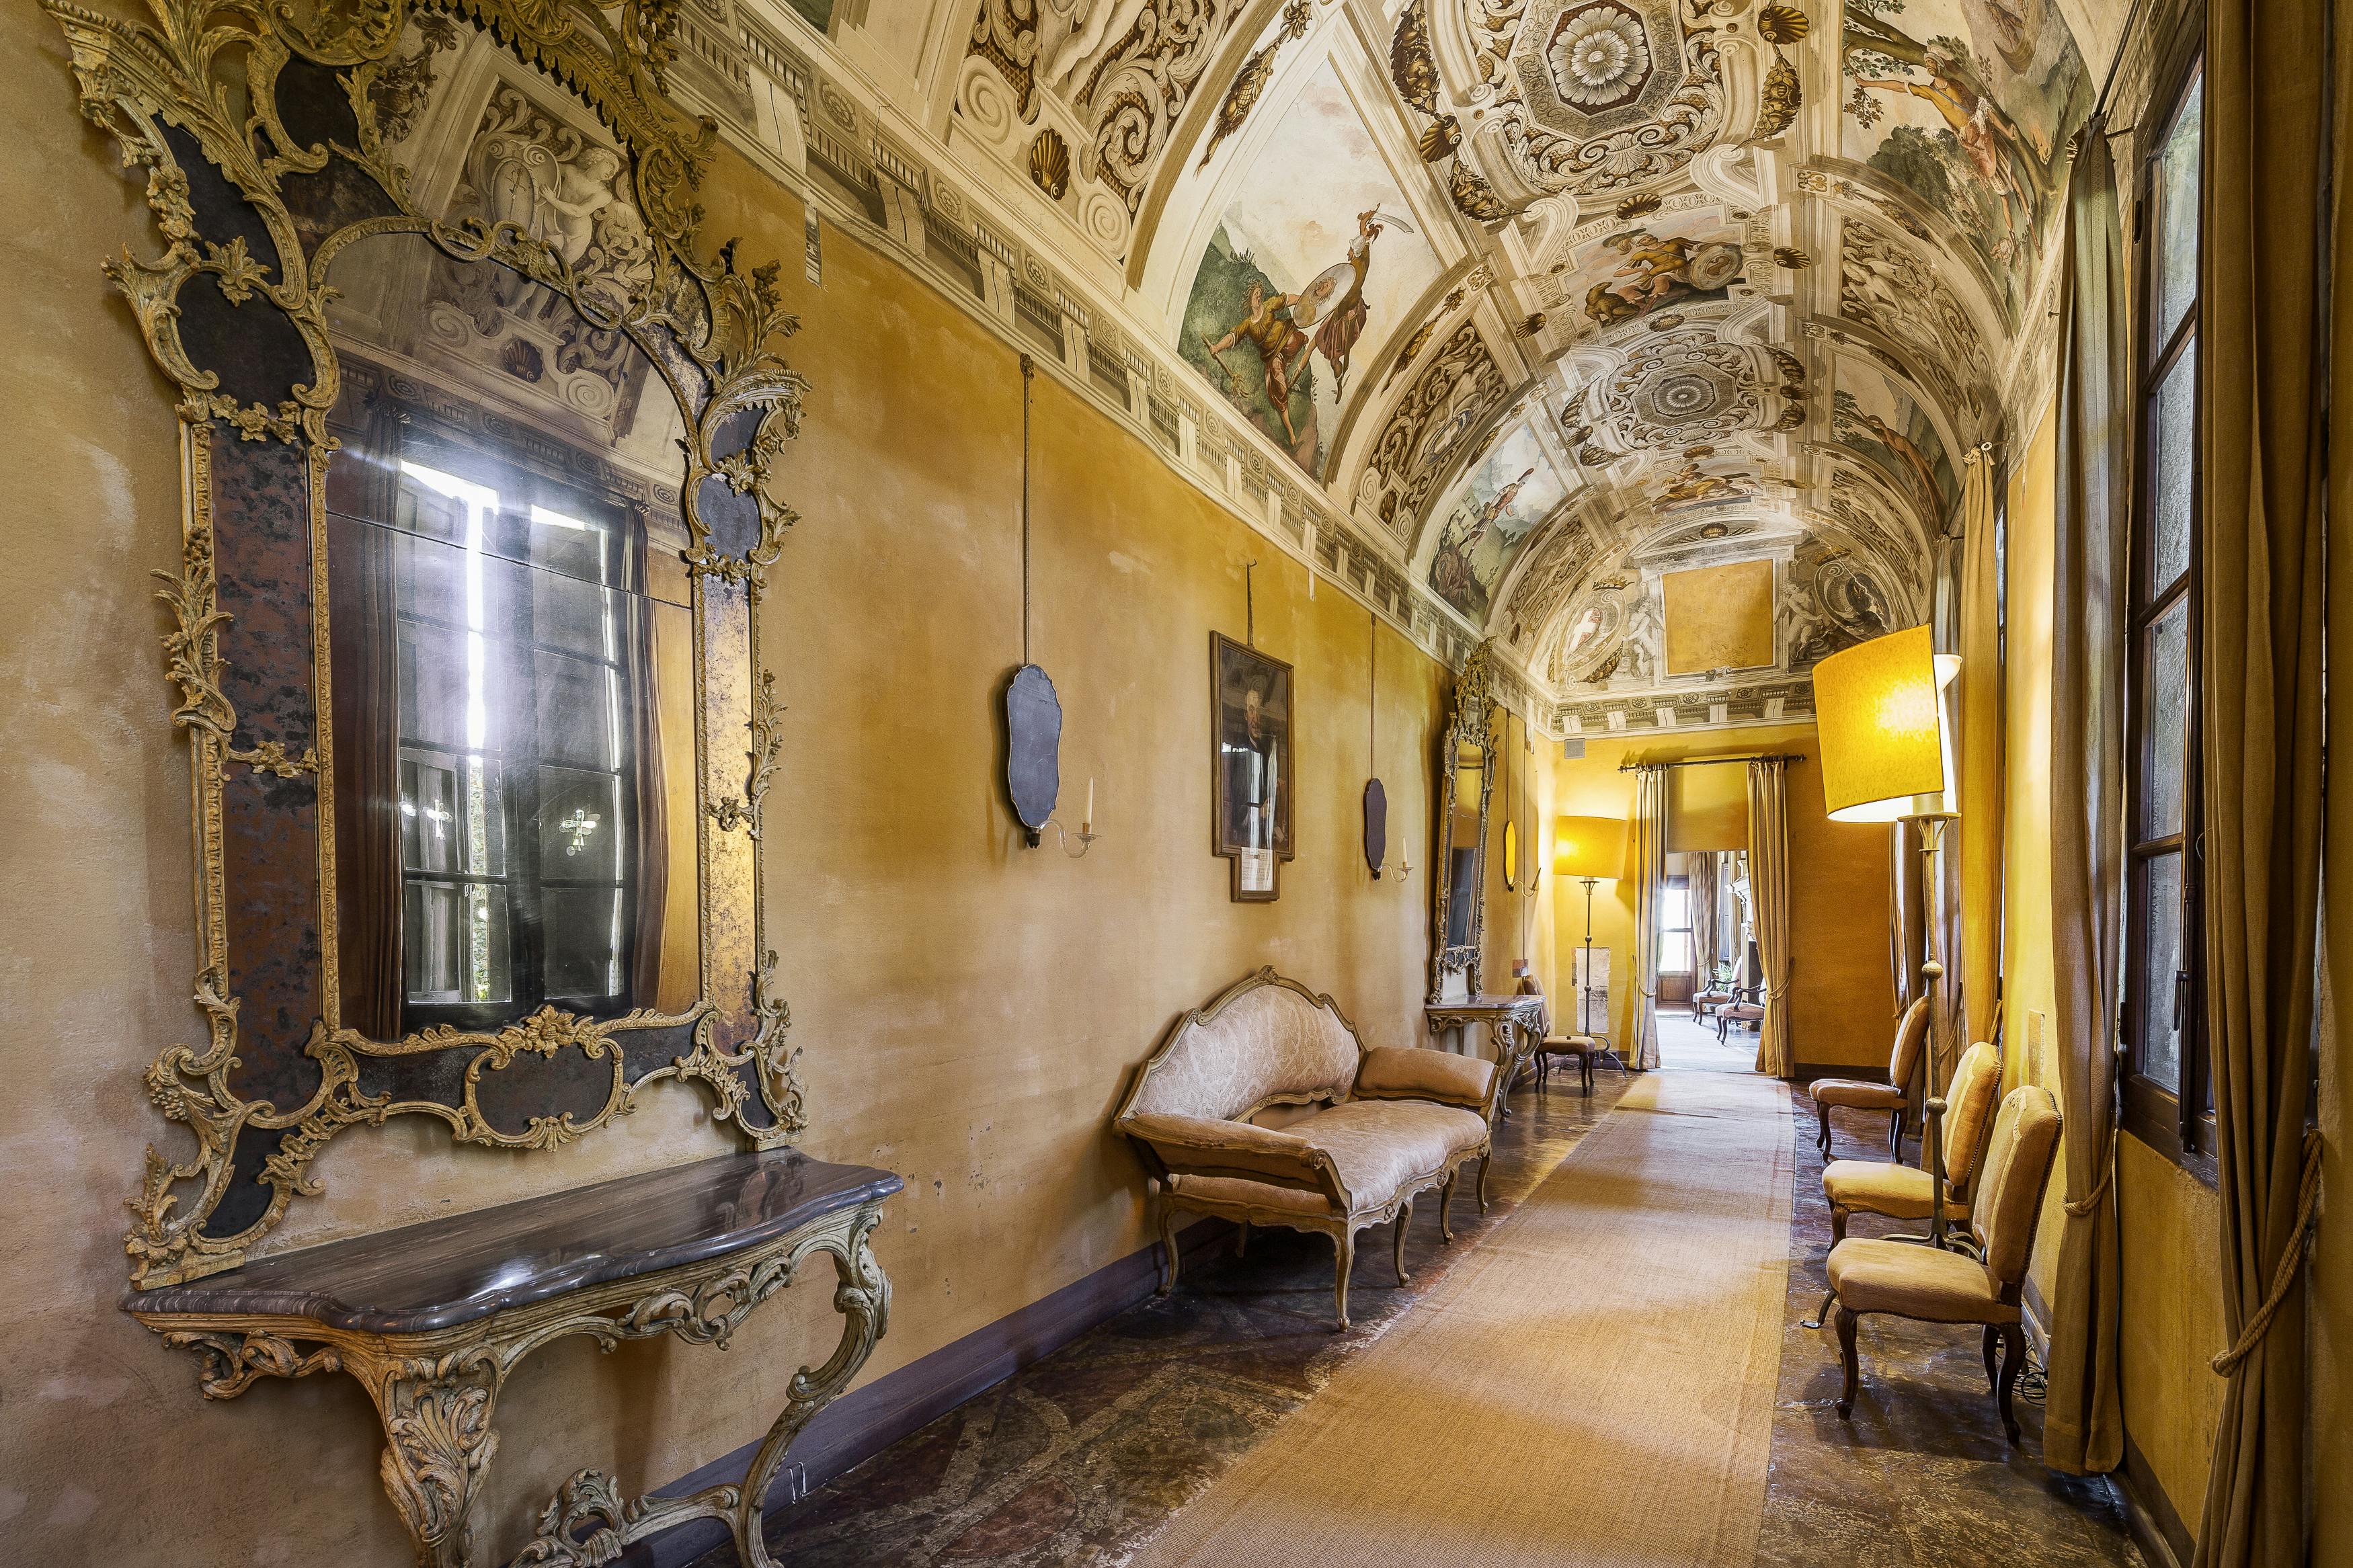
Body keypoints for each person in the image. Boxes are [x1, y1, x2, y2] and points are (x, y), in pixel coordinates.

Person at [1204, 284, 1313, 444]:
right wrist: (1217, 347)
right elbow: (1232, 337)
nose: (1259, 296)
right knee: (1280, 387)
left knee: (1296, 340)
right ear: (1250, 301)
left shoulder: (1268, 306)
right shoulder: (1248, 324)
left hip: (1285, 338)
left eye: (1260, 293)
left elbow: (1288, 300)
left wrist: (1306, 299)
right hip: (1273, 355)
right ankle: (1290, 430)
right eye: (1256, 294)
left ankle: (1301, 340)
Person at [1223, 677, 1282, 852]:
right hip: (1244, 836)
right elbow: (1237, 805)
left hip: (1265, 839)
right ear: (1245, 716)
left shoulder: (1268, 752)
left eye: (1259, 711)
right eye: (1251, 711)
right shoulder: (1239, 752)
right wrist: (1258, 812)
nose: (1256, 718)